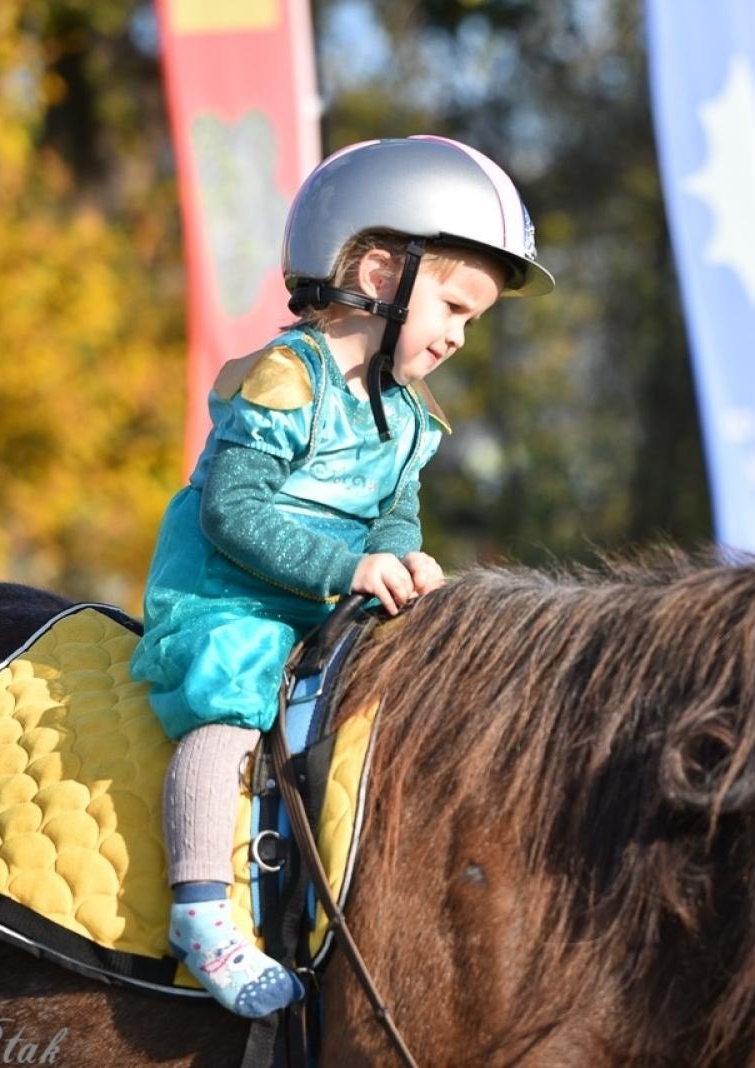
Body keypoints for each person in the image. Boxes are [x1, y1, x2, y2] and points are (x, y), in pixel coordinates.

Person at [128, 135, 554, 1017]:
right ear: (377, 274)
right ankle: (200, 911)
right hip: (232, 594)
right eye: (452, 307)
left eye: (472, 322)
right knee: (231, 697)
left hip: (328, 601)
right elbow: (231, 512)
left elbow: (394, 509)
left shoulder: (409, 416)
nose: (457, 337)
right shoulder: (288, 378)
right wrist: (348, 565)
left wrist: (404, 555)